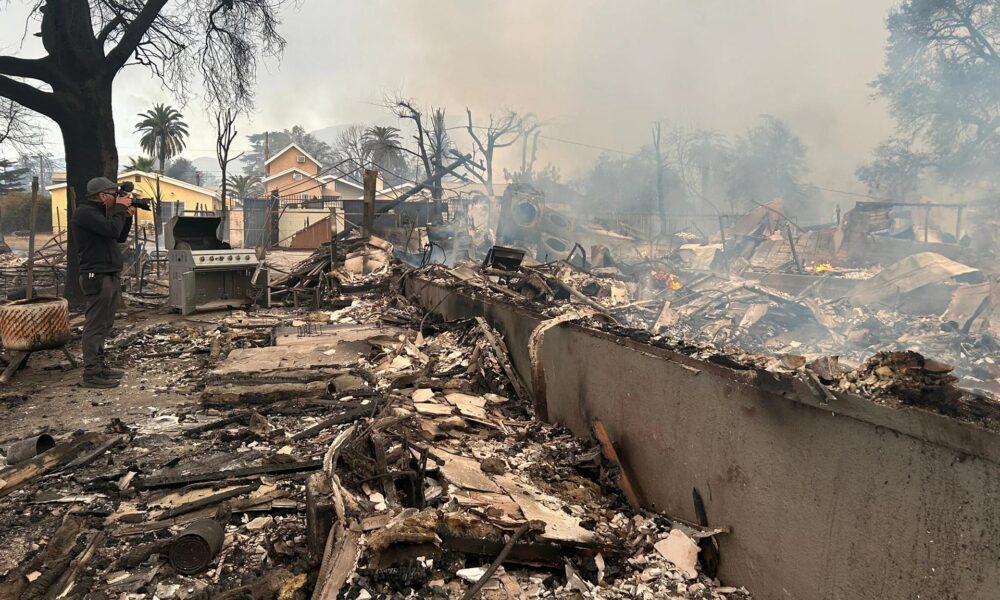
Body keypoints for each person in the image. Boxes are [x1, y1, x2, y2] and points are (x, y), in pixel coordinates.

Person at [71, 177, 134, 388]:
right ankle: (92, 373)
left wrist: (127, 216)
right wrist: (119, 210)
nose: (117, 198)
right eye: (114, 195)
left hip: (108, 273)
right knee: (95, 326)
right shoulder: (85, 213)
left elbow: (119, 236)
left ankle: (100, 367)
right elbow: (111, 230)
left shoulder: (99, 214)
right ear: (102, 196)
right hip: (96, 276)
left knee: (104, 324)